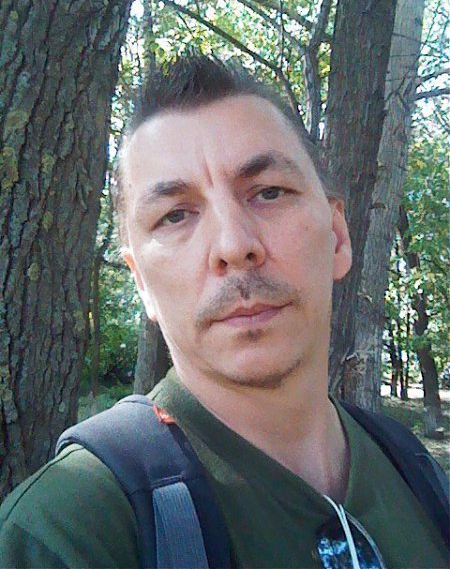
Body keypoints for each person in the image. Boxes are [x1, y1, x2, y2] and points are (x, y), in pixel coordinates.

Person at [0, 55, 448, 568]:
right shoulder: (65, 533)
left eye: (269, 192)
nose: (234, 246)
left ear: (338, 236)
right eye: (175, 216)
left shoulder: (415, 471)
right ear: (141, 282)